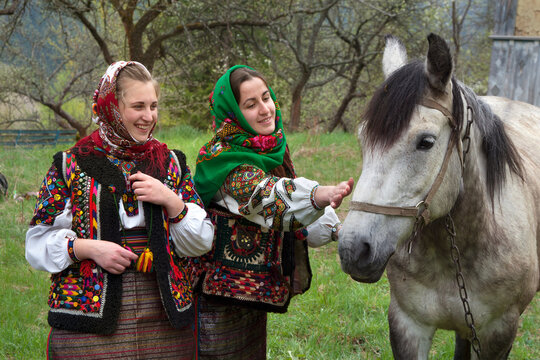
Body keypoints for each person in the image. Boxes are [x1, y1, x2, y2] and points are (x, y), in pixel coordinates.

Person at [25, 61, 214, 360]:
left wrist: (171, 200)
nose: (148, 116)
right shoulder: (70, 164)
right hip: (88, 321)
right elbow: (36, 242)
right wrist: (87, 248)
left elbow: (202, 241)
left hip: (164, 318)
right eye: (138, 106)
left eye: (153, 106)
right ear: (111, 106)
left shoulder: (171, 163)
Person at [192, 65, 354, 359]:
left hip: (251, 295)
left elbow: (292, 216)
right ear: (233, 113)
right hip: (215, 300)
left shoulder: (271, 148)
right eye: (250, 105)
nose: (265, 110)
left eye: (266, 98)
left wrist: (339, 230)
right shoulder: (224, 160)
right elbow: (266, 199)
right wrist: (317, 195)